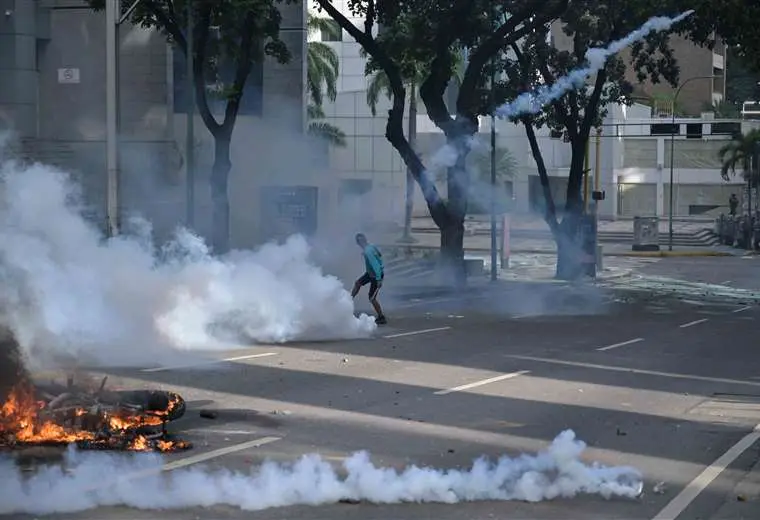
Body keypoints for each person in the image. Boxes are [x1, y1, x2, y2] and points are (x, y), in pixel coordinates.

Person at [351, 233, 387, 325]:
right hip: (370, 274)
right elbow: (379, 254)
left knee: (372, 298)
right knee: (358, 283)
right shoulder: (370, 247)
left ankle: (381, 317)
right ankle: (349, 300)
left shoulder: (368, 251)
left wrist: (379, 279)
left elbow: (376, 266)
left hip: (376, 276)